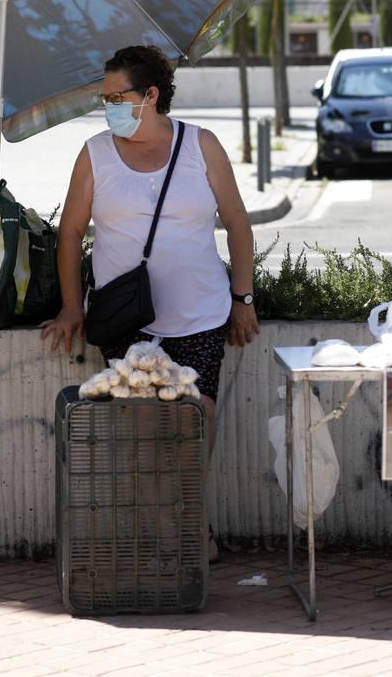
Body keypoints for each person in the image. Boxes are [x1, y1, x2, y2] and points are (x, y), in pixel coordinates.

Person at [41, 45, 261, 559]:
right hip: (126, 320)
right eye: (105, 98)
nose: (109, 107)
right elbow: (70, 234)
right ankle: (168, 527)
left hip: (202, 315)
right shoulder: (94, 152)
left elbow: (238, 224)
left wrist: (243, 296)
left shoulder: (201, 145)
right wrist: (73, 306)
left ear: (151, 96)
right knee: (141, 425)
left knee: (196, 416)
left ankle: (191, 516)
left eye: (118, 97)